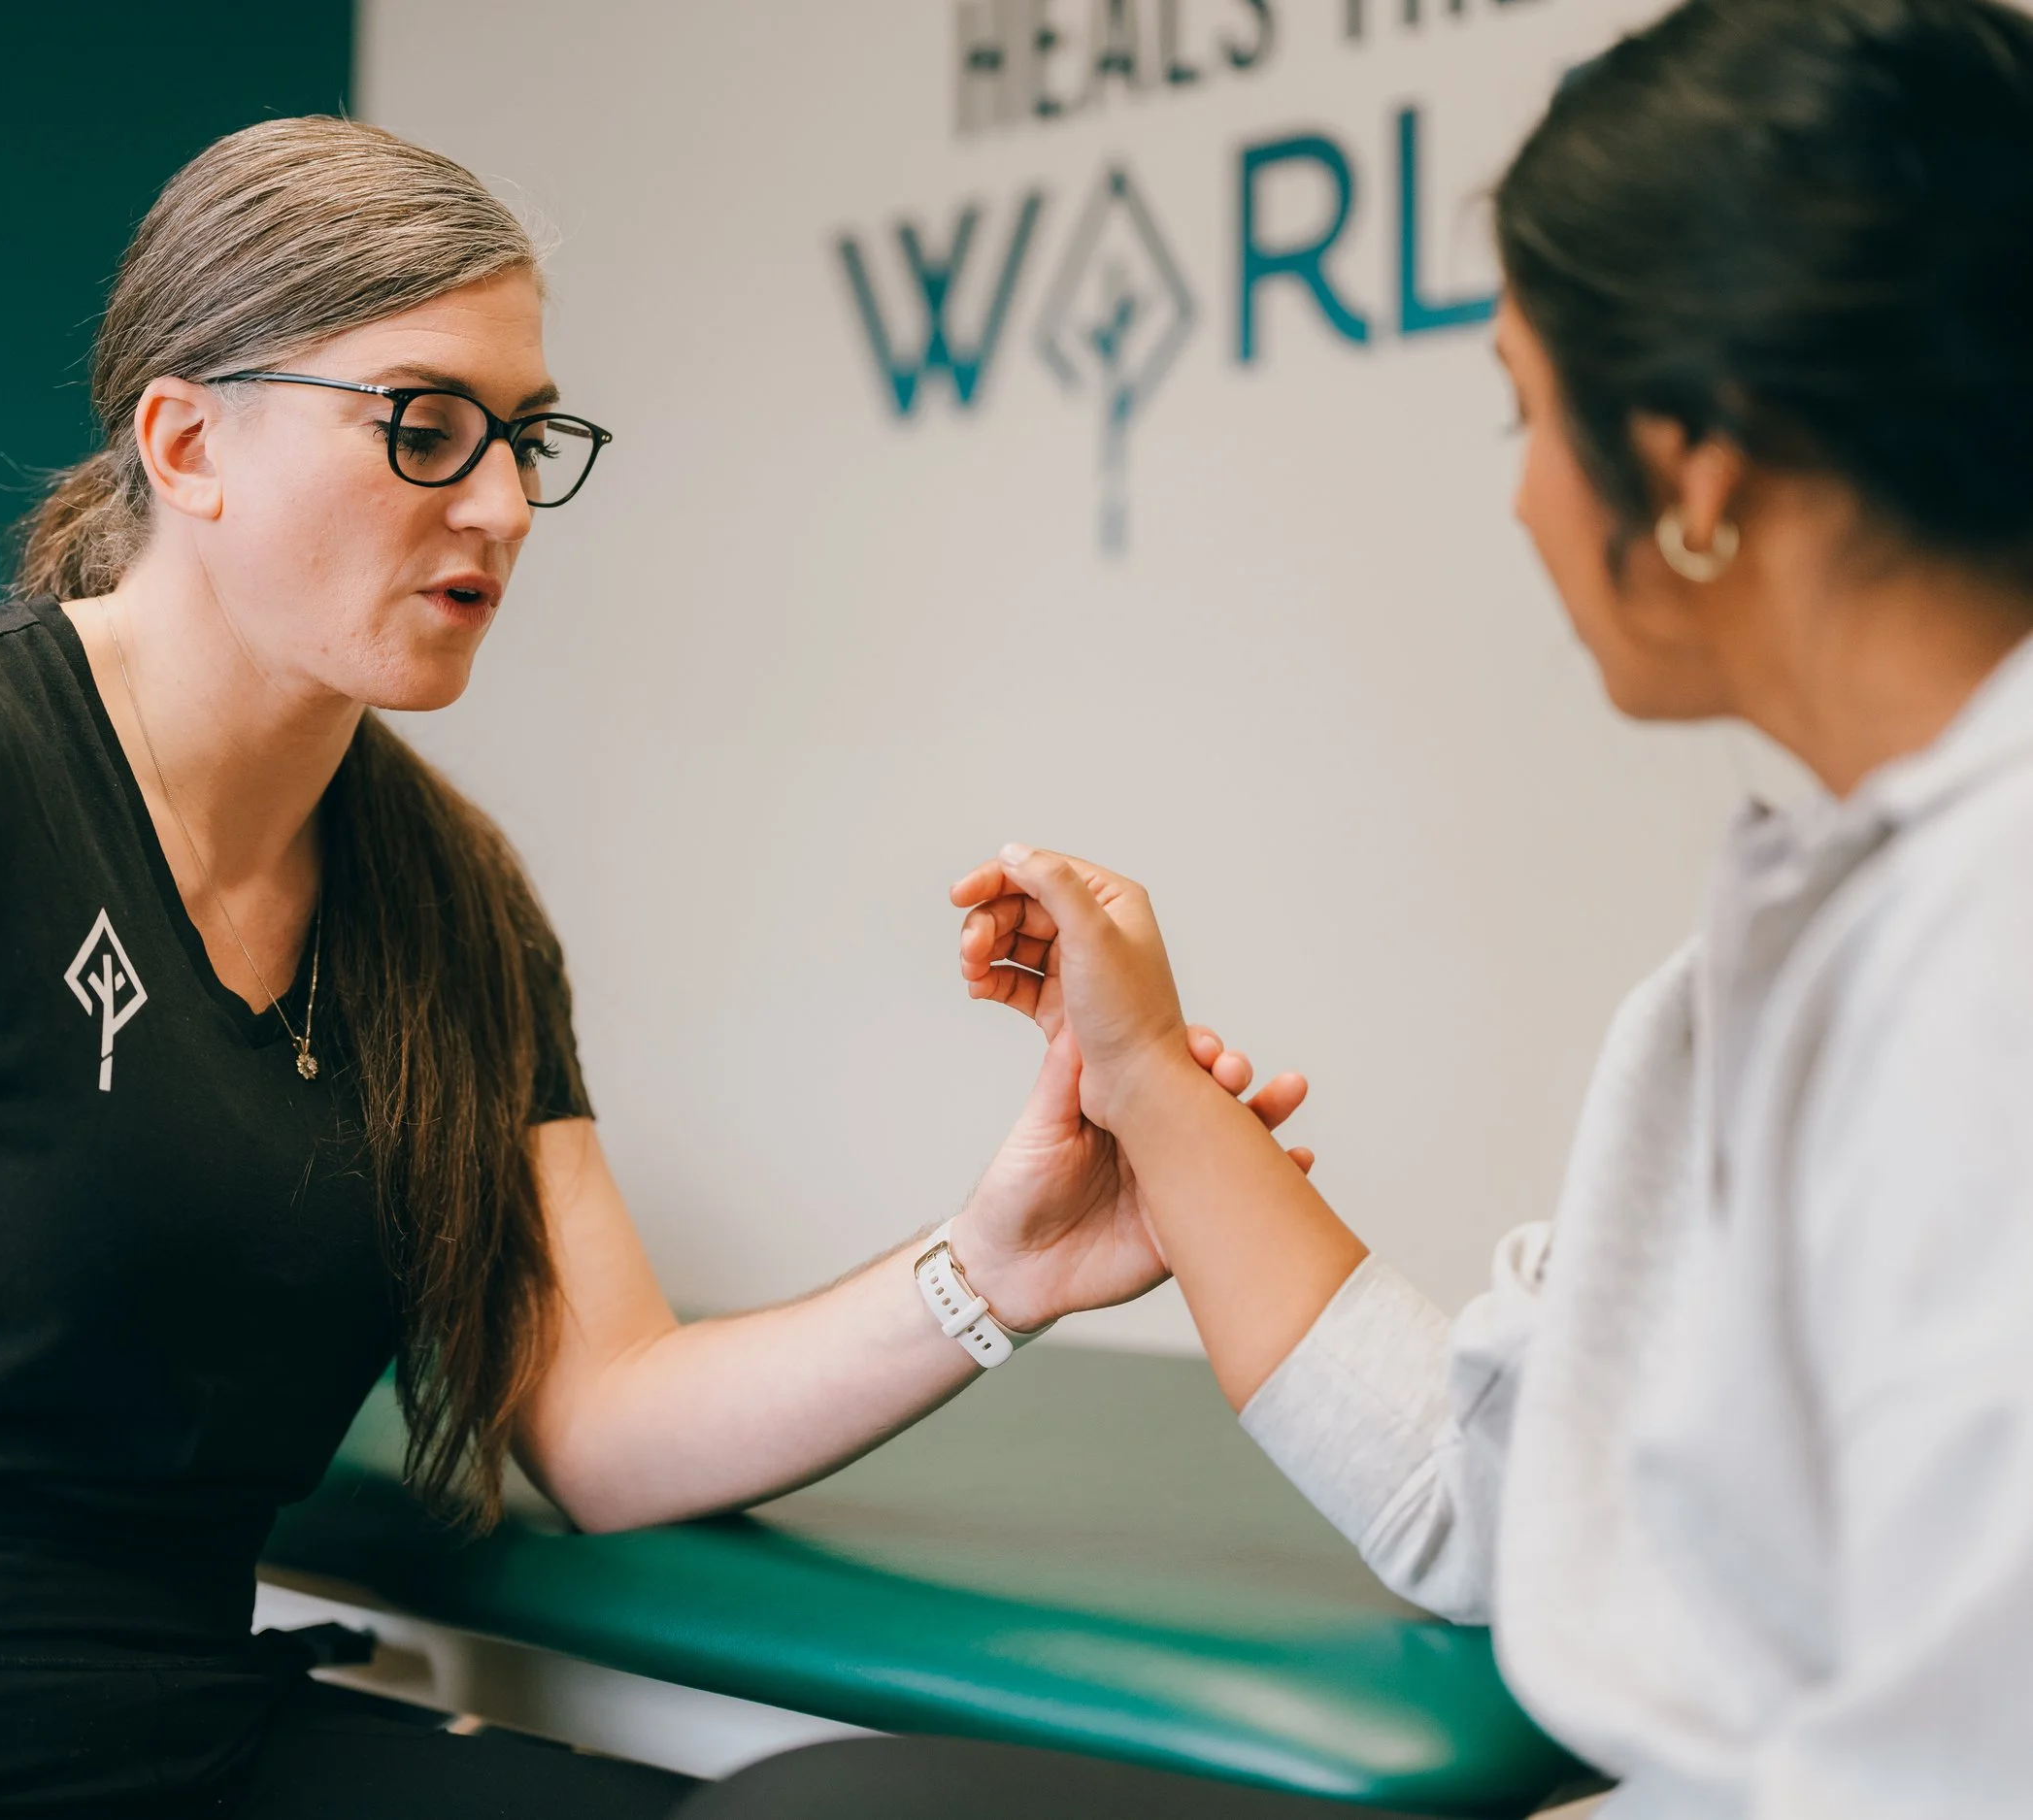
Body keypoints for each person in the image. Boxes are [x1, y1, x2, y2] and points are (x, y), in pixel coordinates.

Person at [0, 119, 1303, 1820]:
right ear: (187, 442)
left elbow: (602, 1411)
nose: (500, 504)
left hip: (186, 1756)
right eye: (423, 427)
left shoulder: (447, 905)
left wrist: (997, 1264)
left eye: (527, 438)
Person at [690, 0, 2033, 1814]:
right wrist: (1144, 1071)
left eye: (1527, 411)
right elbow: (1499, 1493)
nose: (1523, 497)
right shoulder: (1815, 938)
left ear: (1697, 474)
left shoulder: (1975, 972)